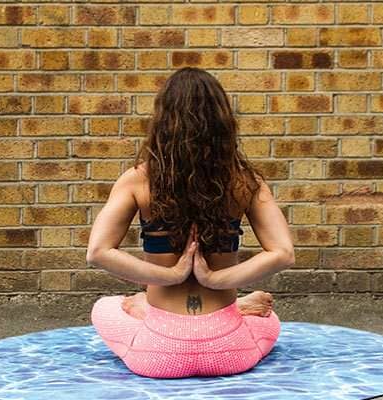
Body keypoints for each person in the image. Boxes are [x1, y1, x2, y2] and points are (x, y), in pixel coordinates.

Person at [86, 67, 295, 378]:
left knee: (105, 307)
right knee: (270, 320)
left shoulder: (137, 180)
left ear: (163, 120)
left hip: (158, 352)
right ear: (223, 122)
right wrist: (215, 280)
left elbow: (98, 252)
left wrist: (169, 276)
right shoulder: (246, 183)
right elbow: (283, 253)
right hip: (230, 351)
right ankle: (237, 308)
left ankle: (144, 305)